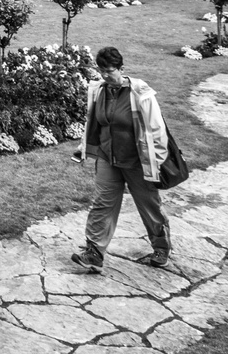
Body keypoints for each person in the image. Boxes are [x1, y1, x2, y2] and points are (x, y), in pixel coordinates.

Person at [71, 46, 173, 272]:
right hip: (108, 158)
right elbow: (94, 123)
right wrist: (84, 146)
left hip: (138, 162)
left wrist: (155, 162)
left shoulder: (140, 92)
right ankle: (94, 253)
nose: (105, 76)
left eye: (110, 71)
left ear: (121, 69)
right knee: (102, 204)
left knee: (149, 207)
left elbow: (157, 129)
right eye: (102, 71)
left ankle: (161, 247)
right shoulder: (99, 91)